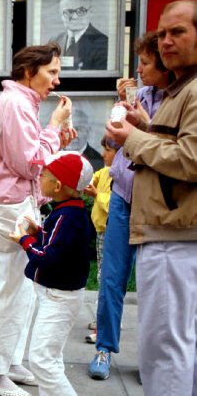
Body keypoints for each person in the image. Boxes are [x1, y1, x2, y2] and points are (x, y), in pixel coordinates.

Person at [102, 0, 197, 396]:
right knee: (182, 344)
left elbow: (191, 160)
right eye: (162, 34)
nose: (165, 42)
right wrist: (144, 125)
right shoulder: (183, 89)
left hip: (173, 232)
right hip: (172, 229)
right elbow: (176, 146)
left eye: (176, 32)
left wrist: (131, 138)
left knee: (165, 347)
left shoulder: (194, 90)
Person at [0, 42, 76, 396]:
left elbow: (29, 159)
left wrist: (55, 136)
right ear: (29, 71)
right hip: (13, 207)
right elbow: (30, 163)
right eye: (52, 72)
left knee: (22, 289)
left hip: (17, 204)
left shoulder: (19, 102)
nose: (56, 81)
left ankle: (9, 362)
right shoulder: (17, 104)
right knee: (9, 291)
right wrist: (54, 128)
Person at [88, 30, 173, 382]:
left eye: (145, 63)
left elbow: (175, 150)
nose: (137, 70)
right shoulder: (139, 96)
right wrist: (120, 108)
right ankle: (104, 348)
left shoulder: (178, 100)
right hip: (123, 197)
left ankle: (150, 359)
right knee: (112, 278)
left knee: (156, 287)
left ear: (166, 65)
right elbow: (112, 140)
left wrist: (144, 126)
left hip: (155, 206)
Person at [11, 151, 96, 396]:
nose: (40, 178)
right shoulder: (70, 212)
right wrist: (40, 232)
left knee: (41, 359)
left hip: (60, 298)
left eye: (44, 175)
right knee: (50, 357)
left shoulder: (68, 217)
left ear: (58, 186)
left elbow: (49, 258)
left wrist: (24, 240)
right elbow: (59, 245)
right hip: (59, 295)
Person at [83, 137, 116, 345]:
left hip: (111, 232)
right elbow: (89, 179)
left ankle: (105, 324)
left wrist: (97, 195)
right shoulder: (104, 172)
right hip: (102, 231)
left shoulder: (118, 175)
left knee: (107, 278)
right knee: (103, 275)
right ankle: (104, 320)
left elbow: (114, 205)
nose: (103, 154)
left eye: (108, 150)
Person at [50, 0, 108, 70]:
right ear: (61, 15)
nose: (74, 17)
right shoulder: (54, 40)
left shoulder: (103, 43)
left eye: (80, 11)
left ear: (90, 13)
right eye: (69, 12)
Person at [64, 105, 104, 170]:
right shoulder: (51, 156)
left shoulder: (98, 161)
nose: (72, 134)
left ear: (88, 130)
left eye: (78, 129)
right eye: (67, 129)